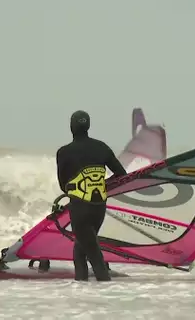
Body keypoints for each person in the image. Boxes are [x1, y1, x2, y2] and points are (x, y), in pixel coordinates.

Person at [56, 110, 127, 282]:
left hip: (80, 208)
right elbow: (121, 174)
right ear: (88, 126)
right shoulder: (101, 147)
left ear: (71, 127)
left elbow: (63, 185)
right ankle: (83, 292)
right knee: (81, 250)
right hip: (99, 208)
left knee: (94, 255)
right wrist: (101, 184)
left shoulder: (64, 152)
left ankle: (107, 295)